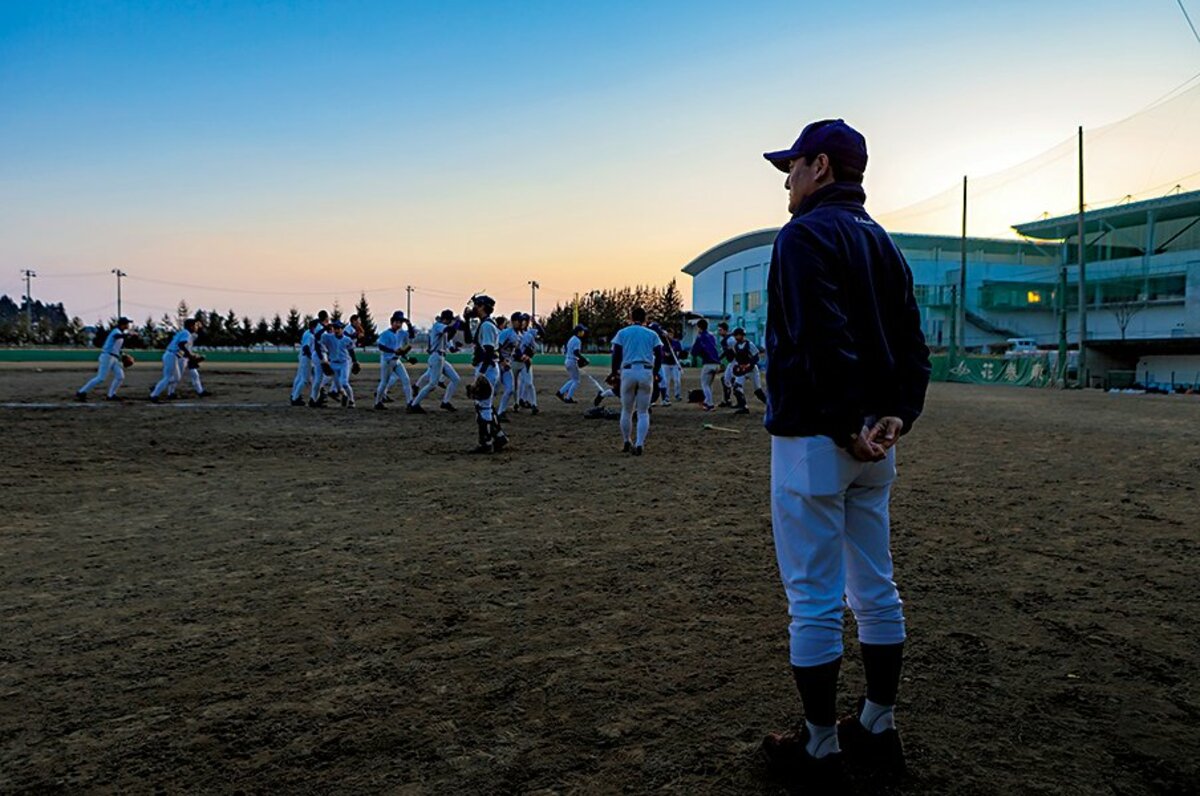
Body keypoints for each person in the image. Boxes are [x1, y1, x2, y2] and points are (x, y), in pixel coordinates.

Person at [756, 119, 931, 786]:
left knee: (814, 597)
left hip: (817, 437)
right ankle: (879, 727)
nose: (788, 182)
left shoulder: (804, 234)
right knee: (875, 586)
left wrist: (839, 422)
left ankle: (820, 744)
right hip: (876, 440)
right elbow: (914, 346)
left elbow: (820, 339)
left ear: (821, 166)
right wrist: (897, 415)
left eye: (793, 168)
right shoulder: (882, 240)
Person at [608, 307, 662, 456]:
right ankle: (639, 443)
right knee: (643, 412)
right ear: (645, 319)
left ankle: (627, 440)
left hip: (628, 370)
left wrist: (614, 372)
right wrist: (656, 372)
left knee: (626, 410)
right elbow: (659, 353)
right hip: (646, 371)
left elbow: (616, 354)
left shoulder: (623, 333)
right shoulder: (652, 334)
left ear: (631, 317)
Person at [465, 295, 508, 453]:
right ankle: (499, 436)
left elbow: (489, 351)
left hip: (487, 368)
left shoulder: (487, 326)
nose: (474, 308)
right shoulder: (485, 324)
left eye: (477, 305)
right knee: (485, 406)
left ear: (482, 307)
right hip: (488, 368)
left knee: (482, 407)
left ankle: (486, 442)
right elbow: (468, 338)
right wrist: (465, 321)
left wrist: (480, 375)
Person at [409, 309, 462, 413]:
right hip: (436, 357)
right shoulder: (438, 326)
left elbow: (450, 347)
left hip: (441, 357)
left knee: (456, 379)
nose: (450, 321)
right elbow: (449, 330)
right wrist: (458, 323)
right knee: (433, 384)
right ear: (446, 319)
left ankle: (445, 402)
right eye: (450, 320)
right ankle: (414, 404)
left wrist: (455, 348)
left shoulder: (444, 330)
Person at [76, 317, 136, 401]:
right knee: (101, 378)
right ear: (122, 325)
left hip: (114, 357)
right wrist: (128, 334)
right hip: (107, 357)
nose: (128, 325)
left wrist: (122, 354)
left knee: (120, 376)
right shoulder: (116, 331)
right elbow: (116, 336)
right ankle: (81, 392)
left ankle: (111, 395)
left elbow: (116, 347)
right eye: (127, 324)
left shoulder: (120, 333)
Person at [150, 318, 200, 402]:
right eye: (195, 325)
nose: (196, 327)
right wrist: (190, 356)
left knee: (175, 378)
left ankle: (156, 389)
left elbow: (181, 347)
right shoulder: (186, 333)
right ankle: (154, 394)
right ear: (191, 326)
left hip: (172, 355)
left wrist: (190, 356)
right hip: (172, 355)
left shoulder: (184, 332)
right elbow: (181, 345)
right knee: (169, 377)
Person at [375, 311, 416, 410]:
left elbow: (412, 336)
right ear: (391, 322)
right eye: (397, 322)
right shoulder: (385, 334)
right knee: (384, 382)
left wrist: (409, 324)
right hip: (387, 361)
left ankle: (409, 402)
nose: (399, 324)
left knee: (406, 379)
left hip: (397, 360)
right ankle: (377, 402)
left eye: (400, 322)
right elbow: (380, 346)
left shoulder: (401, 333)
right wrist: (393, 351)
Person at [728, 327, 764, 414]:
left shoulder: (749, 344)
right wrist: (738, 366)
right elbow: (737, 358)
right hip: (743, 370)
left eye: (738, 335)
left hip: (752, 370)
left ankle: (770, 406)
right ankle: (743, 406)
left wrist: (749, 364)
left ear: (742, 335)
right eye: (735, 335)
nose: (736, 337)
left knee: (758, 391)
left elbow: (756, 357)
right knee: (737, 387)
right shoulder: (736, 346)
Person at [690, 319, 721, 411]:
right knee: (709, 384)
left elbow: (694, 351)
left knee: (705, 384)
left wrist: (696, 354)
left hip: (708, 363)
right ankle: (707, 401)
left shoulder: (700, 337)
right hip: (716, 363)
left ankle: (710, 404)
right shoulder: (712, 336)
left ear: (699, 327)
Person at [291, 319, 320, 406]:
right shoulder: (310, 335)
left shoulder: (307, 333)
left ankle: (294, 396)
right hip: (307, 358)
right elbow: (306, 348)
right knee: (305, 380)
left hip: (304, 357)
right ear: (313, 327)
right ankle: (295, 398)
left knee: (301, 378)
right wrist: (312, 358)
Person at [556, 324, 589, 403]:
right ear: (579, 332)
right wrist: (584, 359)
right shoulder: (577, 340)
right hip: (571, 361)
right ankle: (568, 398)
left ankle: (560, 392)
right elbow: (576, 352)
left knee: (573, 379)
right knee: (576, 381)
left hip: (568, 360)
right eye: (582, 331)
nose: (583, 332)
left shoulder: (571, 339)